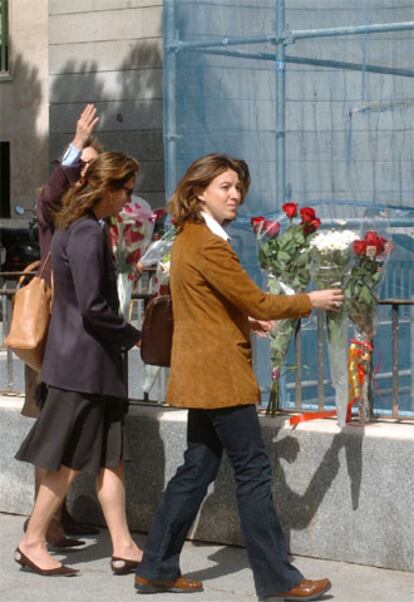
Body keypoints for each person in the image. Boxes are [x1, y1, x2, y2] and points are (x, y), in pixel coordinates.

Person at [135, 154, 343, 601]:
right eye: (225, 186)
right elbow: (262, 301)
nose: (235, 195)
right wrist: (313, 298)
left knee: (196, 469)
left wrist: (242, 319)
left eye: (237, 187)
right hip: (221, 374)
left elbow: (203, 301)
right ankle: (278, 580)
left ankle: (155, 567)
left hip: (201, 371)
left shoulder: (188, 239)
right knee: (252, 471)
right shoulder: (209, 244)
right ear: (198, 193)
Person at [14, 152, 143, 577]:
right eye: (126, 189)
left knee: (110, 457)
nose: (129, 198)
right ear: (107, 189)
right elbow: (92, 306)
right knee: (67, 460)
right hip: (84, 368)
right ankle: (33, 540)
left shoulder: (77, 228)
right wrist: (130, 334)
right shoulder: (87, 232)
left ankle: (124, 544)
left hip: (85, 366)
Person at [21, 104, 103, 546]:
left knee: (63, 429)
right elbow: (50, 195)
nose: (84, 173)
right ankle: (44, 523)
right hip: (53, 328)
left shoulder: (97, 214)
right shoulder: (58, 208)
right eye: (79, 167)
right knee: (50, 426)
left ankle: (57, 515)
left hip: (78, 333)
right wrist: (76, 144)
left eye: (92, 165)